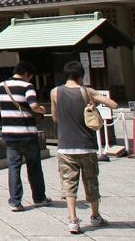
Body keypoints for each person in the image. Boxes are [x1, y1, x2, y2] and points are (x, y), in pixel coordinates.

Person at [51, 60, 119, 234]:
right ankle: (95, 216)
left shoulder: (55, 92)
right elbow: (113, 105)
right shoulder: (87, 92)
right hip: (86, 146)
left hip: (65, 146)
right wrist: (93, 105)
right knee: (91, 182)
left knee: (68, 184)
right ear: (81, 76)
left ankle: (73, 219)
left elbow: (55, 117)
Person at [0, 61, 50, 211]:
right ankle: (39, 198)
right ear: (27, 74)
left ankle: (15, 201)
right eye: (30, 76)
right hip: (27, 133)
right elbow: (33, 106)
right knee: (34, 166)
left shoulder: (1, 86)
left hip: (9, 134)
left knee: (14, 167)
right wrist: (42, 110)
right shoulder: (28, 87)